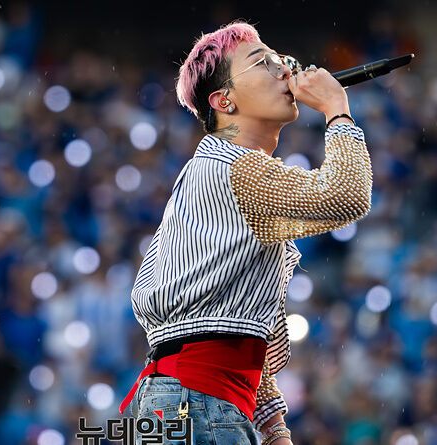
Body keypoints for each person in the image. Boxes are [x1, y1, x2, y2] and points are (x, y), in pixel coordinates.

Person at [118, 20, 373, 445]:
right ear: (224, 100)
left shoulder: (207, 173)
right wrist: (337, 109)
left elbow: (237, 327)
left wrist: (272, 427)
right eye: (264, 63)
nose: (286, 71)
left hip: (182, 399)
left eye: (282, 60)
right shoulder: (238, 169)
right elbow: (347, 195)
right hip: (200, 401)